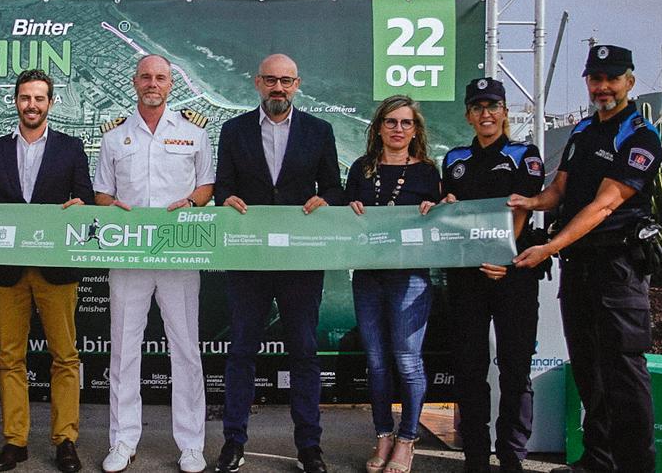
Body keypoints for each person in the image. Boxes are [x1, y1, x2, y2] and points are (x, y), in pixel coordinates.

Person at [508, 45, 662, 473]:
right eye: (595, 79)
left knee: (624, 373)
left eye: (612, 78)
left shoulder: (639, 136)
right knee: (589, 370)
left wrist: (549, 247)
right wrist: (526, 201)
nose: (603, 87)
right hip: (580, 268)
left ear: (629, 81)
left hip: (619, 268)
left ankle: (635, 466)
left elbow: (604, 205)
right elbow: (559, 192)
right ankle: (598, 461)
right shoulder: (581, 131)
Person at [214, 53, 343, 473]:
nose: (278, 88)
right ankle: (233, 442)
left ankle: (309, 447)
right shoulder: (233, 131)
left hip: (300, 260)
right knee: (241, 353)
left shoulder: (319, 131)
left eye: (286, 81)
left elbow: (335, 191)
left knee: (304, 353)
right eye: (271, 80)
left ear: (297, 84)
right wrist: (225, 200)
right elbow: (224, 189)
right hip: (249, 257)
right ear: (257, 83)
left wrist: (326, 200)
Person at [0, 69, 93, 473]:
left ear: (50, 103)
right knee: (9, 357)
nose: (32, 105)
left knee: (65, 357)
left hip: (56, 268)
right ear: (16, 101)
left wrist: (81, 205)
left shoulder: (71, 148)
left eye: (39, 98)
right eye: (25, 98)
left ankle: (66, 440)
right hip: (9, 270)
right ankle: (15, 441)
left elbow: (85, 197)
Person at [93, 54, 213, 473]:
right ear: (134, 82)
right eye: (145, 76)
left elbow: (206, 184)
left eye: (160, 77)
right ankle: (123, 441)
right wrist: (112, 205)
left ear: (170, 85)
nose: (153, 83)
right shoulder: (114, 137)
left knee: (186, 351)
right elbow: (102, 193)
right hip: (128, 255)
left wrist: (193, 201)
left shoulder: (195, 133)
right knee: (124, 351)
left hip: (178, 252)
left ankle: (191, 444)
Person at [441, 78, 545, 473]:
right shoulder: (454, 159)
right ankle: (476, 456)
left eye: (493, 106)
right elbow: (450, 210)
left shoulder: (524, 154)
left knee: (516, 366)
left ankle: (512, 455)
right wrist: (445, 203)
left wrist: (503, 256)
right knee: (470, 367)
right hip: (467, 274)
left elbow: (521, 209)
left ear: (505, 112)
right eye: (478, 107)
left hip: (512, 272)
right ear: (468, 114)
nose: (486, 114)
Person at [345, 95, 441, 473]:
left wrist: (436, 209)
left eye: (406, 123)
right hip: (368, 275)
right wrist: (347, 209)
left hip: (410, 277)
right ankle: (383, 434)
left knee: (407, 361)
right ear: (379, 127)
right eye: (391, 122)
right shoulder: (360, 169)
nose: (398, 129)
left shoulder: (427, 172)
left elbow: (442, 222)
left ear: (415, 129)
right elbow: (345, 214)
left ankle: (407, 439)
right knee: (377, 362)